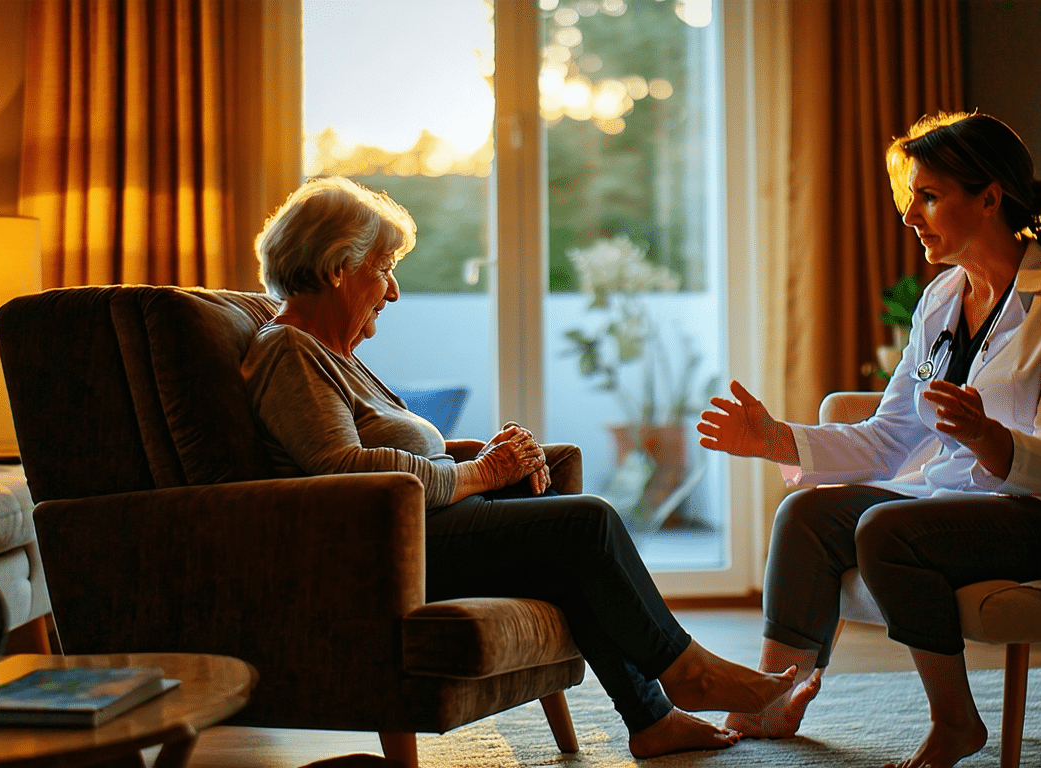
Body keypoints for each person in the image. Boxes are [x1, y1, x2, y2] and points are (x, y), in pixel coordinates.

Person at [240, 176, 796, 759]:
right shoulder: (288, 350)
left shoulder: (338, 357)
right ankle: (685, 670)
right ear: (336, 269)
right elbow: (346, 469)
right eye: (383, 268)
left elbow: (405, 455)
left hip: (433, 528)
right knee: (588, 522)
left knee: (569, 550)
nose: (395, 291)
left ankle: (652, 719)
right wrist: (482, 474)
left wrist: (495, 458)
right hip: (387, 553)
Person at [697, 112, 1041, 768]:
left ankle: (955, 725)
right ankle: (770, 698)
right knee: (808, 513)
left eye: (928, 197)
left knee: (885, 529)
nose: (910, 216)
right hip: (962, 507)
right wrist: (776, 440)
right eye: (913, 197)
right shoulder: (940, 300)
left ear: (990, 197)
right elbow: (890, 438)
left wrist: (990, 437)